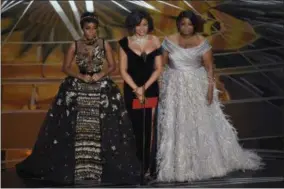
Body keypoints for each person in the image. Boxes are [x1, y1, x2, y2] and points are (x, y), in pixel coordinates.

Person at [16, 11, 140, 185]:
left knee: (104, 127)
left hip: (100, 84)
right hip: (78, 84)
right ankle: (80, 168)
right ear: (82, 29)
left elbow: (113, 65)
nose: (92, 32)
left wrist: (100, 75)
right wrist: (80, 77)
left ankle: (98, 167)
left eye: (94, 29)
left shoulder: (104, 44)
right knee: (74, 126)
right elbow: (65, 67)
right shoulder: (75, 45)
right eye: (88, 29)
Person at [156, 10, 263, 182]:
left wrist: (210, 89)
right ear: (178, 24)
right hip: (175, 86)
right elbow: (161, 66)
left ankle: (206, 162)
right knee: (178, 122)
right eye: (183, 23)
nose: (186, 27)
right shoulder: (169, 41)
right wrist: (161, 85)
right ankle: (179, 165)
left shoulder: (202, 42)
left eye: (190, 24)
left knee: (201, 122)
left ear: (194, 25)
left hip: (197, 86)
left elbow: (209, 68)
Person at [118, 10, 163, 178]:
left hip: (150, 89)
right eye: (138, 25)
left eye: (144, 24)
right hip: (132, 90)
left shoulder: (155, 41)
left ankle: (148, 167)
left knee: (149, 127)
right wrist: (136, 89)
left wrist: (144, 88)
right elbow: (123, 70)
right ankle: (136, 165)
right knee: (135, 127)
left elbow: (159, 68)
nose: (142, 28)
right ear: (132, 25)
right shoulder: (124, 43)